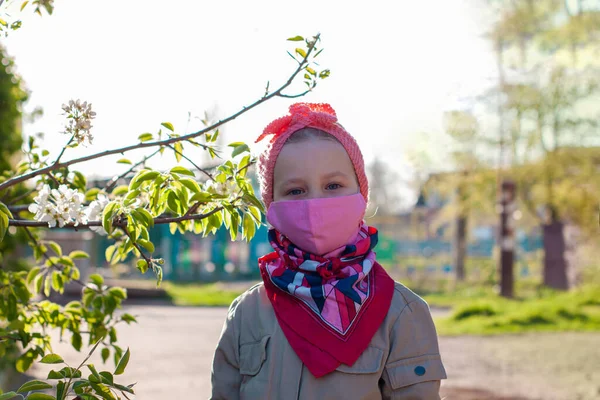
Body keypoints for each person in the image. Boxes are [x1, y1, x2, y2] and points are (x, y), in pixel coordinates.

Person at [211, 103, 447, 399]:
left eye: (333, 185)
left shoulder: (400, 313)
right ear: (271, 206)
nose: (314, 204)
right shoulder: (247, 314)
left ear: (361, 194)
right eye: (295, 191)